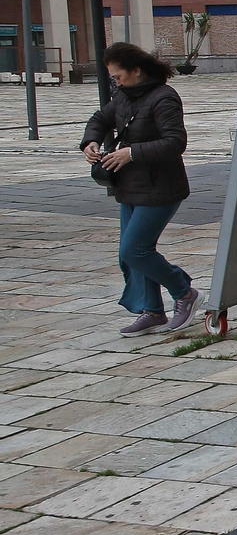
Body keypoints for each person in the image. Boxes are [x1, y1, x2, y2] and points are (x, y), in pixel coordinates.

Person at [81, 43, 200, 336]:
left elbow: (175, 142)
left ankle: (184, 292)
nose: (116, 82)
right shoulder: (123, 95)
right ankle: (153, 311)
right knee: (131, 254)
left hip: (161, 186)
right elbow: (100, 118)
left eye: (119, 76)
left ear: (136, 71)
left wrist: (131, 153)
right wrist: (90, 141)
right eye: (112, 78)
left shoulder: (164, 98)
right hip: (130, 186)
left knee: (135, 250)